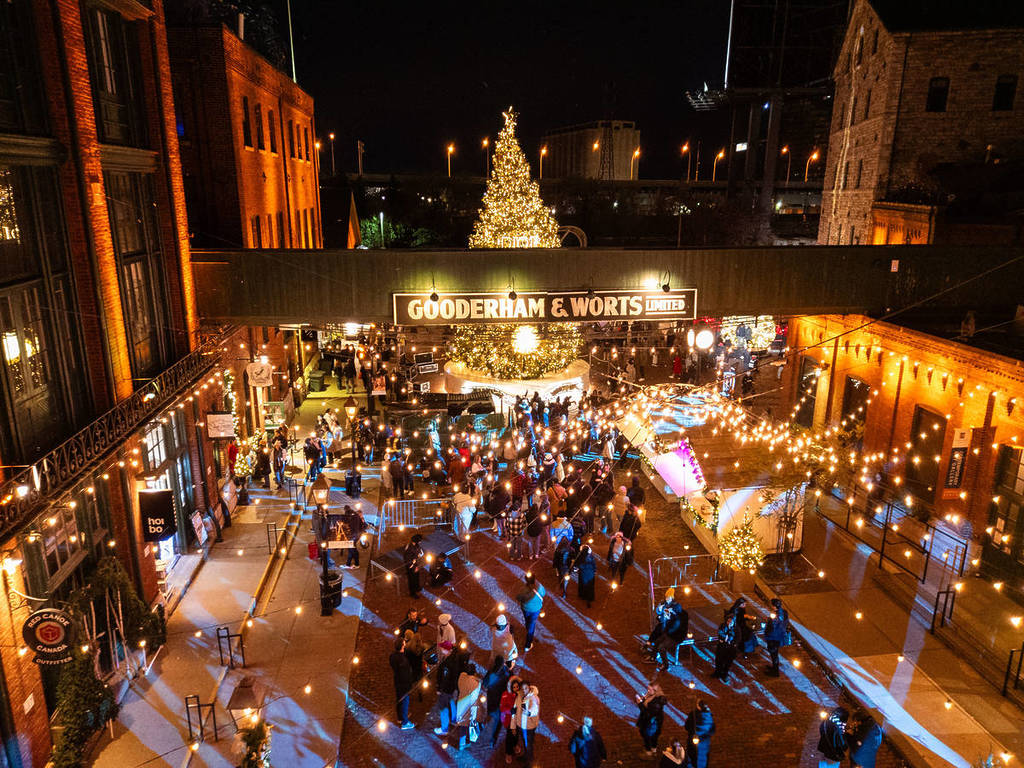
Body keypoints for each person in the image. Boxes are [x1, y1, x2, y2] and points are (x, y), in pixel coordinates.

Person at [648, 588, 688, 671]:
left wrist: (668, 631)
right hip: (668, 631)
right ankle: (653, 656)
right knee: (657, 641)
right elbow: (659, 613)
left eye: (669, 597)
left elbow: (676, 626)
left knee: (661, 647)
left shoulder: (677, 612)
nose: (667, 599)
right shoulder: (664, 604)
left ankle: (665, 665)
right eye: (666, 597)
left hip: (675, 635)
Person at [433, 642, 467, 736]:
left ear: (447, 650)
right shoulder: (455, 657)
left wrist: (440, 689)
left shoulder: (447, 664)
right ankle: (454, 719)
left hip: (446, 689)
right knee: (452, 702)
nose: (441, 650)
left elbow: (445, 678)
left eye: (443, 648)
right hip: (453, 687)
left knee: (443, 708)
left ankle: (444, 729)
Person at [482, 657, 511, 748]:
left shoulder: (492, 673)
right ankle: (493, 740)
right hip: (501, 702)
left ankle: (483, 725)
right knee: (498, 722)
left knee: (489, 713)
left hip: (492, 700)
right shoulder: (507, 672)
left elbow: (484, 684)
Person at [454, 662, 483, 750]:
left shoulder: (461, 676)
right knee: (469, 725)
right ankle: (463, 744)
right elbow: (474, 699)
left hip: (460, 704)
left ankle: (462, 742)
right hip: (469, 708)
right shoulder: (476, 684)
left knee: (463, 724)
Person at [509, 682, 539, 763]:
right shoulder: (519, 697)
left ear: (529, 688)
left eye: (526, 688)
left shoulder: (533, 698)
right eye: (522, 689)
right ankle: (526, 756)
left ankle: (529, 761)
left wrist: (529, 713)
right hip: (521, 725)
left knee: (528, 744)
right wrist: (513, 726)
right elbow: (514, 712)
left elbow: (535, 709)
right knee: (525, 742)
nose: (524, 691)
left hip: (529, 727)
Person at [389, 636, 415, 730]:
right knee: (405, 702)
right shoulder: (403, 661)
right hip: (404, 685)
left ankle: (400, 717)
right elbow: (406, 675)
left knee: (399, 700)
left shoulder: (392, 656)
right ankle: (405, 722)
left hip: (397, 682)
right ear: (402, 646)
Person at [516, 573, 546, 652]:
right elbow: (544, 593)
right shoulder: (539, 586)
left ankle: (528, 632)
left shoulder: (524, 590)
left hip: (525, 609)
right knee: (532, 624)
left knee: (527, 620)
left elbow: (518, 598)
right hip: (536, 609)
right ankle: (528, 644)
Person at [636, 682, 667, 756]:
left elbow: (647, 713)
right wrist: (643, 700)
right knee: (654, 735)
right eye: (648, 689)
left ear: (655, 691)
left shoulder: (656, 702)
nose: (648, 691)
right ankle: (654, 748)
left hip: (650, 722)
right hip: (654, 721)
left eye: (650, 689)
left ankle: (648, 751)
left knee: (646, 735)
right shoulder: (652, 696)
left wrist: (639, 704)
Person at [763, 597, 790, 676]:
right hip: (779, 636)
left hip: (773, 637)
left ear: (774, 606)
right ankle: (774, 668)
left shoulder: (776, 615)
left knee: (774, 654)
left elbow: (772, 626)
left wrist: (769, 621)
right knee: (775, 653)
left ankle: (775, 671)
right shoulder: (784, 612)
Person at [684, 699, 715, 768]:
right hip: (704, 741)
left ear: (698, 705)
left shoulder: (693, 714)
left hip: (693, 738)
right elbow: (712, 729)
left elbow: (687, 726)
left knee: (692, 755)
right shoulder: (708, 715)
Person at [499, 676, 521, 761]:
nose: (516, 688)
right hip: (509, 720)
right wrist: (510, 711)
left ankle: (515, 745)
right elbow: (502, 708)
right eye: (514, 687)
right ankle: (508, 752)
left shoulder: (520, 695)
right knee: (509, 737)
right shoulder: (505, 695)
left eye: (517, 687)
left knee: (516, 734)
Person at [574, 544, 597, 608]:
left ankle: (584, 597)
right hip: (590, 574)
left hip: (584, 574)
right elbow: (594, 564)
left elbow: (578, 565)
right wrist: (594, 570)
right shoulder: (591, 556)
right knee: (590, 587)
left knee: (584, 586)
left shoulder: (580, 557)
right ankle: (589, 599)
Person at [403, 533, 424, 598]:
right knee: (412, 579)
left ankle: (417, 587)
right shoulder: (409, 548)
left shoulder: (416, 545)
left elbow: (419, 552)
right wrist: (413, 567)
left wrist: (419, 555)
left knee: (416, 577)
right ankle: (412, 593)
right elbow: (408, 560)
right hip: (411, 567)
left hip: (415, 564)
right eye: (419, 540)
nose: (420, 542)